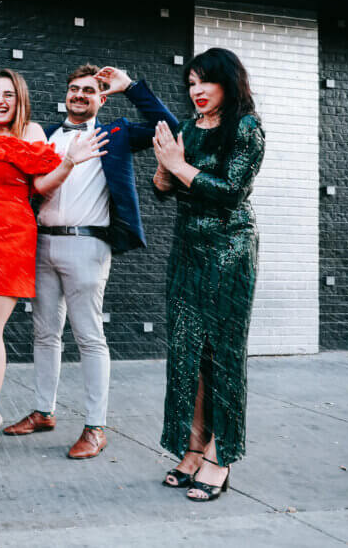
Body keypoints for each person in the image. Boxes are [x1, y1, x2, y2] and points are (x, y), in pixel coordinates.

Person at [3, 64, 178, 460]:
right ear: (65, 94)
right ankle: (43, 411)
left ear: (101, 98)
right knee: (44, 334)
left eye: (89, 90)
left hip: (88, 246)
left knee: (88, 336)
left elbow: (172, 128)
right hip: (42, 243)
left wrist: (130, 87)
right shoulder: (44, 134)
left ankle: (95, 427)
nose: (79, 95)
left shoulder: (114, 133)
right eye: (74, 89)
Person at [0, 69, 108, 460]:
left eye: (9, 94)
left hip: (9, 240)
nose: (0, 100)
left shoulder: (32, 134)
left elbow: (39, 185)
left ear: (20, 100)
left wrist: (69, 163)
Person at [152, 48, 264, 502]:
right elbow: (162, 189)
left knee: (223, 355)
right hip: (187, 249)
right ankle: (194, 446)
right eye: (191, 83)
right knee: (186, 353)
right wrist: (164, 168)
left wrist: (178, 166)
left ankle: (222, 453)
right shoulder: (186, 128)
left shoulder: (246, 128)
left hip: (229, 249)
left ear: (227, 83)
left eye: (205, 82)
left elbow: (231, 193)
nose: (196, 91)